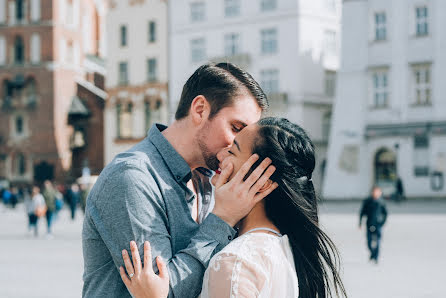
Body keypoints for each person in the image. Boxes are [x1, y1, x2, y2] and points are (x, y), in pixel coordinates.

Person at [82, 62, 276, 298]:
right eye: (236, 128)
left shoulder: (208, 180)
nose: (239, 144)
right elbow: (165, 293)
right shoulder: (132, 178)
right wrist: (223, 218)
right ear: (200, 109)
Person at [120, 118, 348, 298]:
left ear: (263, 180)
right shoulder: (283, 246)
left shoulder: (235, 262)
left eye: (233, 151)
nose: (221, 154)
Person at [359, 186, 388, 264]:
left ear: (380, 193)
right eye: (374, 192)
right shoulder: (367, 201)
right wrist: (360, 223)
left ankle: (376, 257)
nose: (376, 193)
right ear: (372, 192)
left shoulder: (381, 202)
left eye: (378, 192)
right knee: (369, 242)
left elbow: (385, 214)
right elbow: (362, 212)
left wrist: (383, 222)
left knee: (378, 241)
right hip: (369, 224)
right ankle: (372, 253)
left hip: (378, 224)